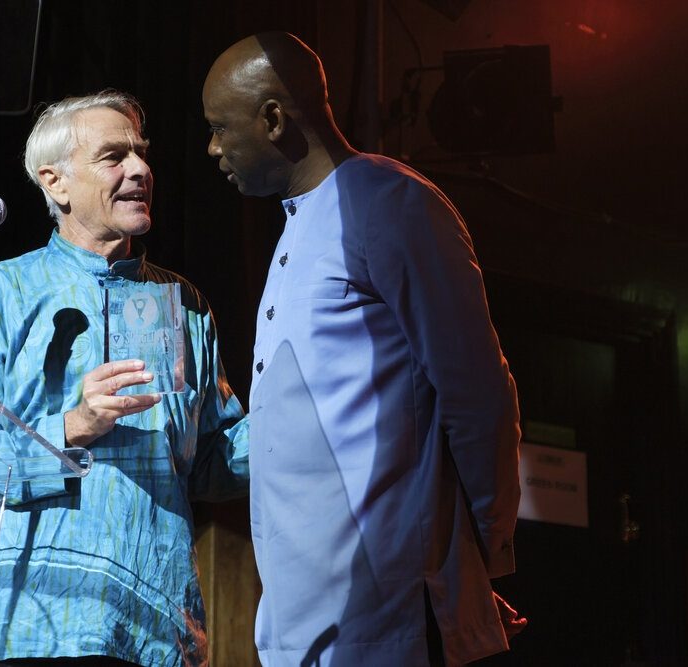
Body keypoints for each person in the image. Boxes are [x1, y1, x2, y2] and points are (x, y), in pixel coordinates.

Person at [202, 32, 525, 667]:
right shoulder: (299, 225)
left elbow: (476, 390)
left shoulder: (387, 202)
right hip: (302, 624)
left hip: (390, 617)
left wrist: (481, 552)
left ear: (272, 118)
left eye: (219, 127)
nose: (212, 147)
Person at [0, 90, 248, 667]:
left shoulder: (184, 303)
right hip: (29, 630)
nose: (140, 170)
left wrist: (301, 425)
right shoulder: (2, 291)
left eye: (141, 155)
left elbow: (209, 461)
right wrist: (72, 426)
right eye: (114, 157)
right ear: (55, 183)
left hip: (157, 631)